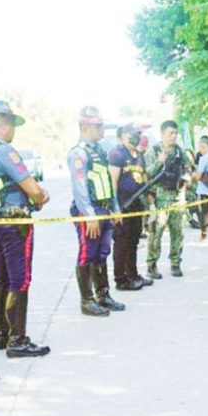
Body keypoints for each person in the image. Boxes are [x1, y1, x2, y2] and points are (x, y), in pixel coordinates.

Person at [0, 100, 50, 357]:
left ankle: (2, 333)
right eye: (12, 126)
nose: (13, 131)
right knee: (19, 279)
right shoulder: (4, 150)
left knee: (0, 278)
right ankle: (18, 339)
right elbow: (32, 189)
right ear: (3, 124)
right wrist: (40, 196)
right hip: (13, 222)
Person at [67, 106, 126, 316]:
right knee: (87, 254)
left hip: (105, 209)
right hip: (89, 211)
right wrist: (89, 215)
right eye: (98, 126)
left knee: (102, 253)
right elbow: (80, 186)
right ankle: (87, 300)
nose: (102, 129)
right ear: (84, 127)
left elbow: (109, 182)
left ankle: (103, 294)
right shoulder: (78, 153)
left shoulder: (101, 151)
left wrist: (116, 208)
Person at [145, 120, 193, 278]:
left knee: (178, 232)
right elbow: (148, 173)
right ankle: (152, 265)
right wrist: (160, 161)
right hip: (160, 197)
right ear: (162, 134)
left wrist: (187, 175)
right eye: (170, 133)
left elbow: (188, 167)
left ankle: (175, 263)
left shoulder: (180, 151)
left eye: (175, 133)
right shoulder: (154, 150)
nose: (173, 136)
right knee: (156, 233)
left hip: (178, 197)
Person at [109, 123, 153, 291]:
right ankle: (121, 279)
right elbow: (113, 181)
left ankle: (133, 274)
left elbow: (143, 179)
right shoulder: (117, 153)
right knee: (122, 243)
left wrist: (151, 205)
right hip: (122, 205)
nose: (137, 136)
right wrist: (115, 208)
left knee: (133, 241)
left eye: (139, 134)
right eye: (134, 134)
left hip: (136, 205)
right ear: (124, 135)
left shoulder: (138, 154)